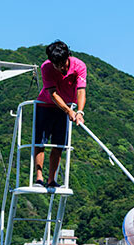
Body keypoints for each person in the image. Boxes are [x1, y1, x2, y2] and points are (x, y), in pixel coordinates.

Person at [34, 40, 87, 189]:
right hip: (45, 105)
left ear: (67, 58)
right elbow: (53, 94)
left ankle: (51, 180)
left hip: (67, 106)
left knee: (59, 144)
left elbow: (81, 90)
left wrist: (79, 112)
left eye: (61, 64)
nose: (59, 68)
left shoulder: (79, 66)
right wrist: (69, 111)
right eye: (55, 65)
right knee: (40, 142)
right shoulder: (46, 67)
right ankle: (39, 178)